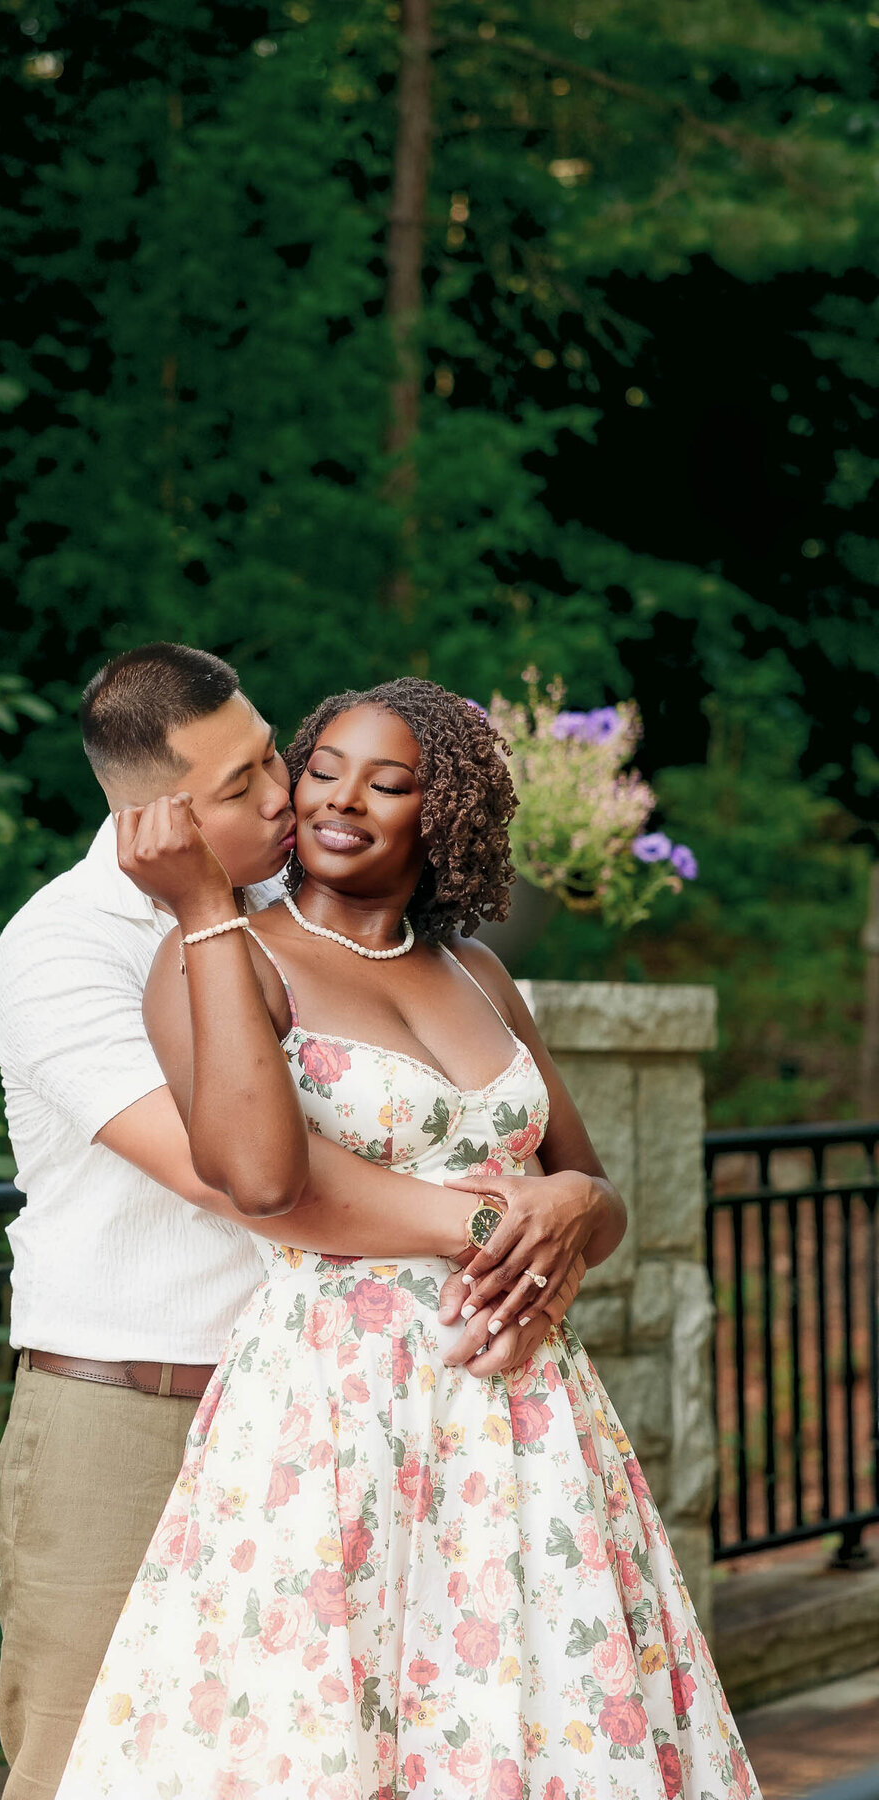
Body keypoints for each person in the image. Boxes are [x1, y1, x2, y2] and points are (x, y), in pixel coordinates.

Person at [58, 678, 761, 1799]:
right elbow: (259, 1178)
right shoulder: (229, 959)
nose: (339, 802)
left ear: (449, 813)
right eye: (322, 770)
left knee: (529, 1719)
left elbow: (594, 1193)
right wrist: (202, 914)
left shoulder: (481, 974)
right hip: (333, 1406)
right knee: (325, 1728)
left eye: (388, 784)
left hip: (525, 1422)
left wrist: (576, 1207)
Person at [0, 647, 584, 1800]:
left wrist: (576, 1196)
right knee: (86, 1767)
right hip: (135, 1405)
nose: (282, 798)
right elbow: (251, 1181)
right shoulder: (64, 951)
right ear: (159, 818)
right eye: (239, 788)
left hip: (320, 1411)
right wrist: (504, 1218)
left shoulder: (293, 916)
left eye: (273, 757)